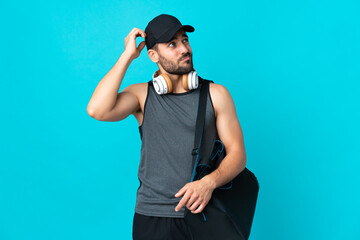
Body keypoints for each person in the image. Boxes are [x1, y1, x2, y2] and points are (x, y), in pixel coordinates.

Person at [87, 14, 247, 240]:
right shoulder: (142, 95)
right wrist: (127, 56)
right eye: (172, 44)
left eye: (184, 40)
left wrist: (209, 183)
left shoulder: (216, 94)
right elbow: (97, 110)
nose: (184, 49)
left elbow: (238, 154)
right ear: (153, 55)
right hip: (151, 217)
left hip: (201, 214)